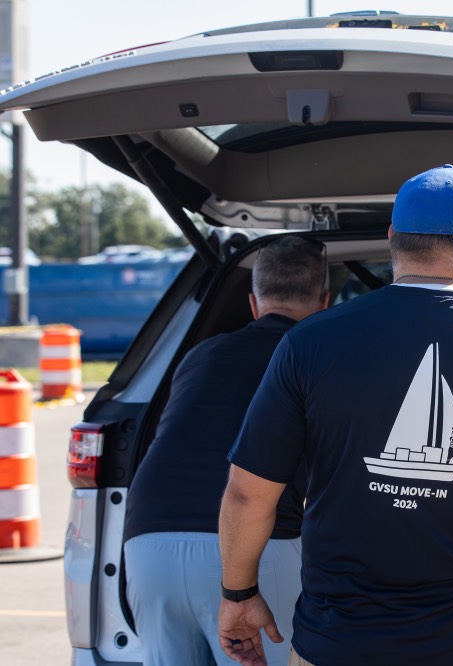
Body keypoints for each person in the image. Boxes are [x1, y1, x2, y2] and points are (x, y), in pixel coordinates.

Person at [217, 164, 453, 666]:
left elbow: (249, 493)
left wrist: (238, 595)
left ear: (392, 240)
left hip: (337, 646)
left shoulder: (308, 344)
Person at [121, 235, 330, 666]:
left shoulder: (202, 354)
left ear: (254, 303)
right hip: (250, 548)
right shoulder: (318, 359)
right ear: (325, 302)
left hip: (147, 541)